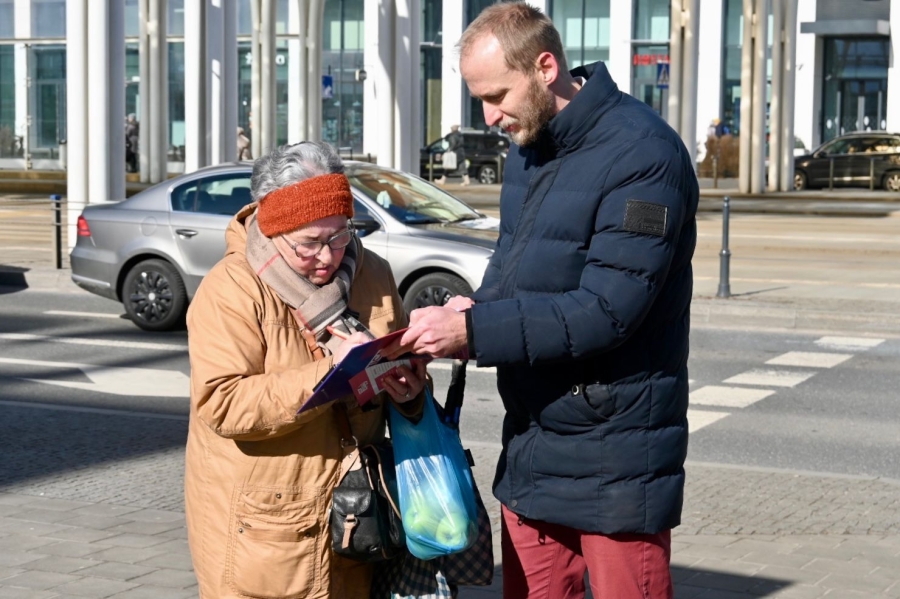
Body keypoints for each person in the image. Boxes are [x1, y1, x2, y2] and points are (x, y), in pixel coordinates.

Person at [386, 3, 698, 598]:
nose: (489, 116)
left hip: (614, 454)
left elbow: (606, 310)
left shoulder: (644, 154)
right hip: (532, 441)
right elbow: (511, 267)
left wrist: (474, 335)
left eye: (496, 95)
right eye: (479, 99)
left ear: (545, 67)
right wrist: (469, 310)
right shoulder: (529, 147)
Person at [184, 141, 427, 599]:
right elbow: (223, 404)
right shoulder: (232, 289)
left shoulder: (373, 273)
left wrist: (410, 393)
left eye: (340, 236)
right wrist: (330, 374)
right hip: (266, 529)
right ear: (274, 229)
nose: (329, 256)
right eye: (310, 244)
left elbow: (397, 371)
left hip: (359, 520)